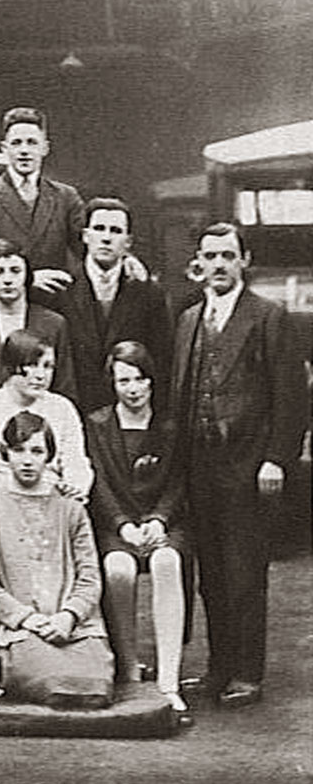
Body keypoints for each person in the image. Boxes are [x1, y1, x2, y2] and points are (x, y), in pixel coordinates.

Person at [169, 222, 303, 708]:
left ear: (244, 260)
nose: (219, 265)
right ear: (199, 262)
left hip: (248, 466)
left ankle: (247, 672)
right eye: (210, 256)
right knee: (210, 574)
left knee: (244, 572)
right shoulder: (188, 319)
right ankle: (218, 667)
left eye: (228, 255)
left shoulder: (268, 316)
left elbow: (291, 398)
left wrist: (276, 459)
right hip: (197, 465)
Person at [0, 411, 113, 708]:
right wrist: (28, 618)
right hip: (20, 627)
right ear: (5, 453)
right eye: (19, 450)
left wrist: (68, 616)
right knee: (54, 685)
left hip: (75, 626)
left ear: (50, 456)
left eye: (37, 451)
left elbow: (90, 576)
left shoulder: (70, 506)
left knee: (95, 688)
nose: (27, 460)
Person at [86, 341, 189, 711]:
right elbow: (99, 484)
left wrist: (160, 519)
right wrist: (122, 525)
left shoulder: (171, 425)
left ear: (152, 381)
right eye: (124, 380)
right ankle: (128, 669)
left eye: (140, 379)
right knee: (118, 569)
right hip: (118, 527)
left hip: (165, 523)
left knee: (167, 563)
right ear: (112, 383)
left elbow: (179, 481)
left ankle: (169, 681)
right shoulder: (97, 425)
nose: (133, 388)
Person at [0, 106, 84, 309]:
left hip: (52, 307)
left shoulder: (66, 197)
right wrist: (28, 278)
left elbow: (88, 245)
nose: (24, 150)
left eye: (32, 143)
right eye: (16, 143)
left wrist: (126, 260)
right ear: (4, 149)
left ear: (45, 148)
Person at [56, 198, 172, 415]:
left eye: (116, 231)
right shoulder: (61, 290)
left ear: (128, 242)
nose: (107, 238)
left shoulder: (149, 294)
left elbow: (161, 362)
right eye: (99, 229)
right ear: (85, 236)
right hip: (73, 413)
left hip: (128, 417)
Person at [0, 239, 76, 403]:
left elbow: (65, 386)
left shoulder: (53, 323)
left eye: (15, 271)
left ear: (27, 275)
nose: (7, 279)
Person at [0, 329, 93, 500]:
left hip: (50, 500)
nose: (41, 375)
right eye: (32, 365)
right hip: (0, 502)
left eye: (48, 366)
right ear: (12, 366)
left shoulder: (62, 408)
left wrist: (75, 486)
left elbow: (76, 462)